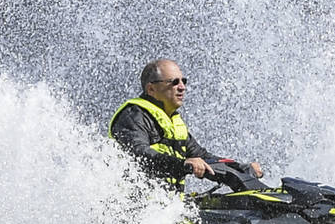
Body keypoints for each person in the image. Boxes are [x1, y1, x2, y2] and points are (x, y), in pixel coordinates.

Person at [109, 58, 263, 193]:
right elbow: (139, 155)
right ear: (151, 89)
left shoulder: (173, 123)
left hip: (168, 206)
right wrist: (182, 164)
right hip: (134, 209)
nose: (182, 87)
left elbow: (202, 157)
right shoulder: (133, 116)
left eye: (184, 81)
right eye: (174, 82)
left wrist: (241, 168)